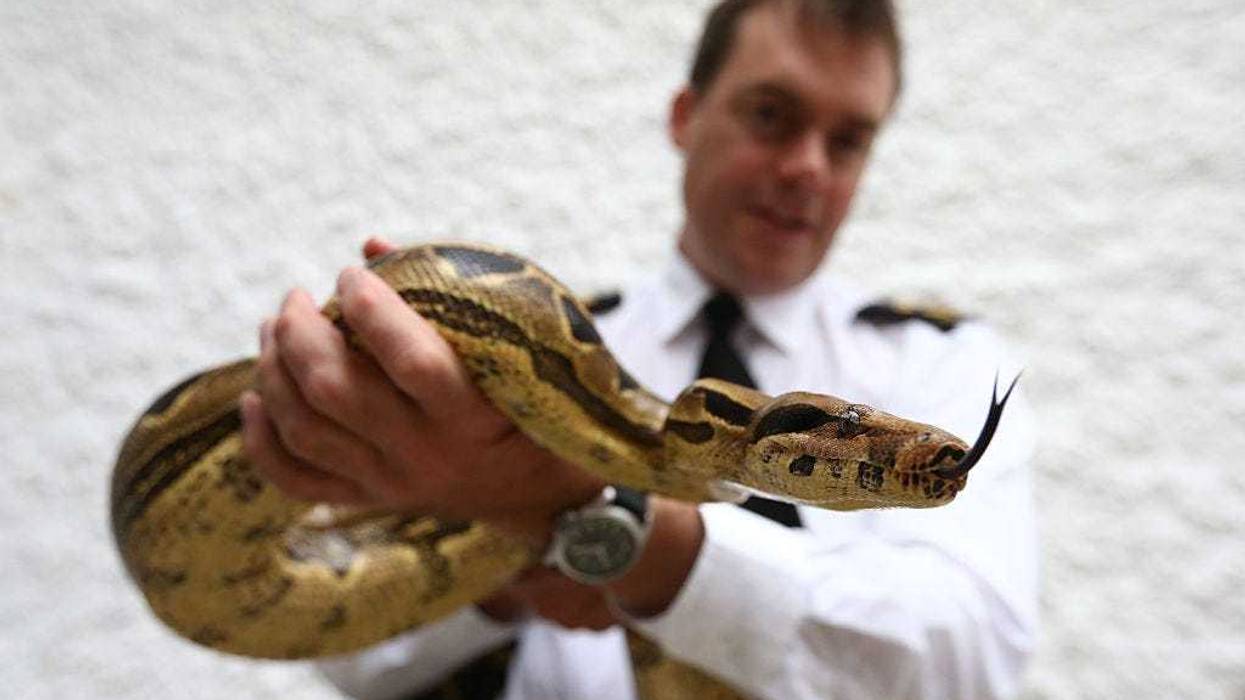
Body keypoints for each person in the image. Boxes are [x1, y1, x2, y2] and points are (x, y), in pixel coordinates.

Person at [239, 0, 1038, 697]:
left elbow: (967, 664)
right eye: (771, 115)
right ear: (685, 116)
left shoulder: (938, 360)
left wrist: (610, 530)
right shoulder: (525, 355)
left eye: (848, 141)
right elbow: (343, 651)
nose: (805, 167)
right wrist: (502, 582)